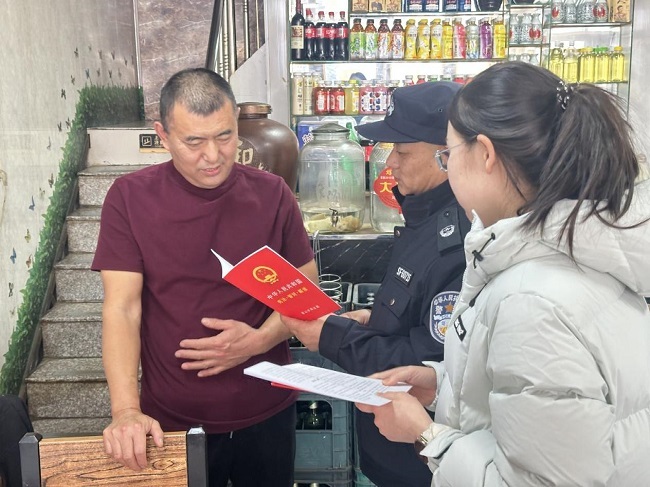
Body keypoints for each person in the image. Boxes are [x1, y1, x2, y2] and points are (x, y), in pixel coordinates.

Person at [356, 61, 650, 486]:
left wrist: (426, 434)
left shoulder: (532, 302)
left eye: (447, 155)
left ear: (486, 154)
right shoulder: (584, 249)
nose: (448, 169)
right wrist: (443, 384)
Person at [92, 68, 317, 487]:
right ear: (163, 135)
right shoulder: (129, 198)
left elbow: (306, 293)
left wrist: (257, 341)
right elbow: (122, 309)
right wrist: (125, 411)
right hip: (171, 422)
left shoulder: (272, 194)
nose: (213, 156)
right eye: (194, 142)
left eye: (225, 136)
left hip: (266, 410)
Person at [283, 81, 470, 487]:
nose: (390, 165)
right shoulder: (423, 217)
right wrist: (377, 316)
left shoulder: (457, 242)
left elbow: (429, 362)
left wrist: (330, 336)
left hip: (421, 462)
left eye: (402, 152)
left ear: (446, 156)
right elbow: (416, 312)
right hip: (390, 450)